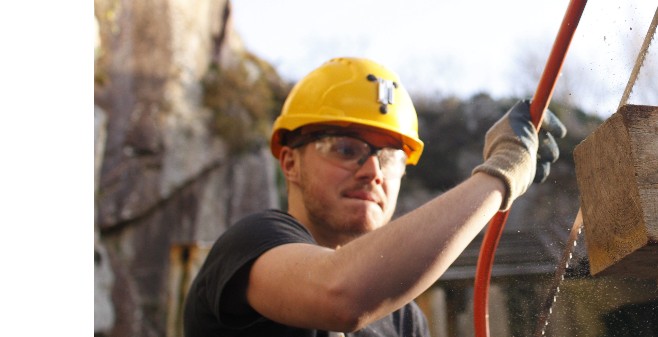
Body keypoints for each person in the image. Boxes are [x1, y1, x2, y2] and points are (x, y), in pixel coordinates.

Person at [183, 58, 564, 336]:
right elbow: (342, 295)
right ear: (290, 163)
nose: (374, 171)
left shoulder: (403, 320)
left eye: (390, 156)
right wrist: (502, 172)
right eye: (346, 148)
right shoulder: (252, 244)